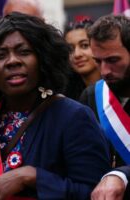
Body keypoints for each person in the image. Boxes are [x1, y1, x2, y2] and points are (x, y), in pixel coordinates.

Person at [0, 12, 110, 199]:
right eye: (0, 55)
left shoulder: (74, 116)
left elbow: (95, 193)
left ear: (43, 59)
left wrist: (32, 177)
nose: (13, 61)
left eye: (24, 52)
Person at [76, 14, 130, 200]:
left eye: (113, 60)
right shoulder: (91, 97)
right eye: (98, 61)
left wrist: (122, 174)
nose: (104, 71)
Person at [64, 19, 101, 100]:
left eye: (84, 45)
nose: (77, 54)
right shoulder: (66, 96)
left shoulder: (116, 88)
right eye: (70, 49)